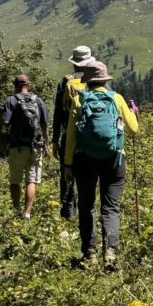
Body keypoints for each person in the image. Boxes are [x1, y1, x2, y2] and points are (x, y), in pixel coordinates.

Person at [63, 61, 139, 265]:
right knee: (111, 207)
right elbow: (133, 129)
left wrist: (68, 164)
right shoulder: (117, 98)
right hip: (114, 158)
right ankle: (110, 253)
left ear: (87, 81)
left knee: (86, 205)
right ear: (105, 80)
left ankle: (90, 253)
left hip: (84, 159)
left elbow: (71, 137)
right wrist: (132, 113)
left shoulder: (79, 101)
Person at [0, 74, 51, 220]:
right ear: (29, 85)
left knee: (15, 181)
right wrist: (47, 144)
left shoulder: (11, 100)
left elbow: (6, 122)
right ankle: (27, 213)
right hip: (36, 146)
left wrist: (2, 123)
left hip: (17, 146)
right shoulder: (38, 100)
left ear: (15, 86)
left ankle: (16, 211)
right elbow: (45, 125)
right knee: (31, 180)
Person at [52, 46, 94, 220]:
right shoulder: (95, 80)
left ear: (74, 63)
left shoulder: (65, 82)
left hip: (68, 134)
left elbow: (58, 113)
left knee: (67, 173)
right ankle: (88, 211)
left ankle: (68, 212)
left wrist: (55, 140)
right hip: (90, 136)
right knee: (88, 175)